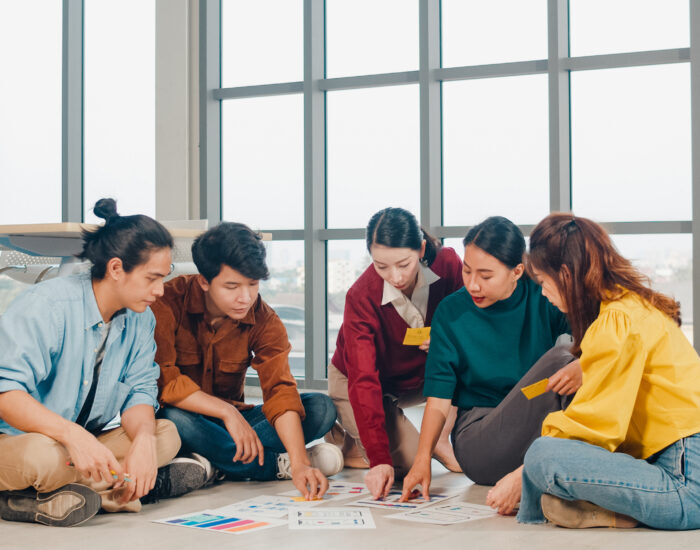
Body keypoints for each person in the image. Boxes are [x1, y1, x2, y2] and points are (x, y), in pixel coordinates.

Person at [0, 199, 207, 528]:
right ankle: (124, 489)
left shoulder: (141, 319)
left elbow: (140, 391)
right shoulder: (48, 306)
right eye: (152, 278)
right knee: (40, 455)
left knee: (164, 435)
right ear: (115, 269)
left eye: (163, 278)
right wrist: (73, 437)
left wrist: (140, 440)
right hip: (17, 440)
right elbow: (6, 394)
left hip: (82, 440)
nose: (159, 290)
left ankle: (66, 495)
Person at [517, 213, 700, 530]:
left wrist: (523, 474)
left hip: (687, 485)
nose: (544, 293)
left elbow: (596, 426)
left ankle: (530, 516)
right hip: (671, 459)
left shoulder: (616, 320)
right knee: (544, 455)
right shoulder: (629, 305)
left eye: (544, 282)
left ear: (566, 274)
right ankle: (617, 515)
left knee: (541, 454)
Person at [152, 222, 341, 500]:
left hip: (240, 424)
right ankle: (272, 465)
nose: (245, 298)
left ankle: (213, 464)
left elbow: (280, 390)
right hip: (188, 420)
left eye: (252, 284)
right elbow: (164, 382)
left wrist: (300, 464)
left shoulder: (265, 318)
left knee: (321, 407)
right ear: (204, 280)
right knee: (173, 419)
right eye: (232, 286)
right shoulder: (165, 302)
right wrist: (226, 413)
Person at [401, 216, 577, 511]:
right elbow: (439, 401)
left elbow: (597, 332)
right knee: (563, 358)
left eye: (485, 275)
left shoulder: (543, 294)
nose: (472, 284)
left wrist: (585, 365)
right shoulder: (451, 312)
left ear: (517, 271)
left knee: (573, 365)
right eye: (467, 270)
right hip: (480, 438)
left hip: (533, 410)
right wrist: (422, 461)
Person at [328, 207, 464, 500]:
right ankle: (344, 436)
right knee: (405, 463)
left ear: (422, 249)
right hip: (359, 380)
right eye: (381, 267)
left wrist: (448, 337)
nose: (395, 277)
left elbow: (472, 322)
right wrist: (378, 460)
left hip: (419, 378)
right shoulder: (361, 296)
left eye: (404, 264)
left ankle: (441, 438)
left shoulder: (450, 265)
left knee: (467, 358)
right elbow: (364, 380)